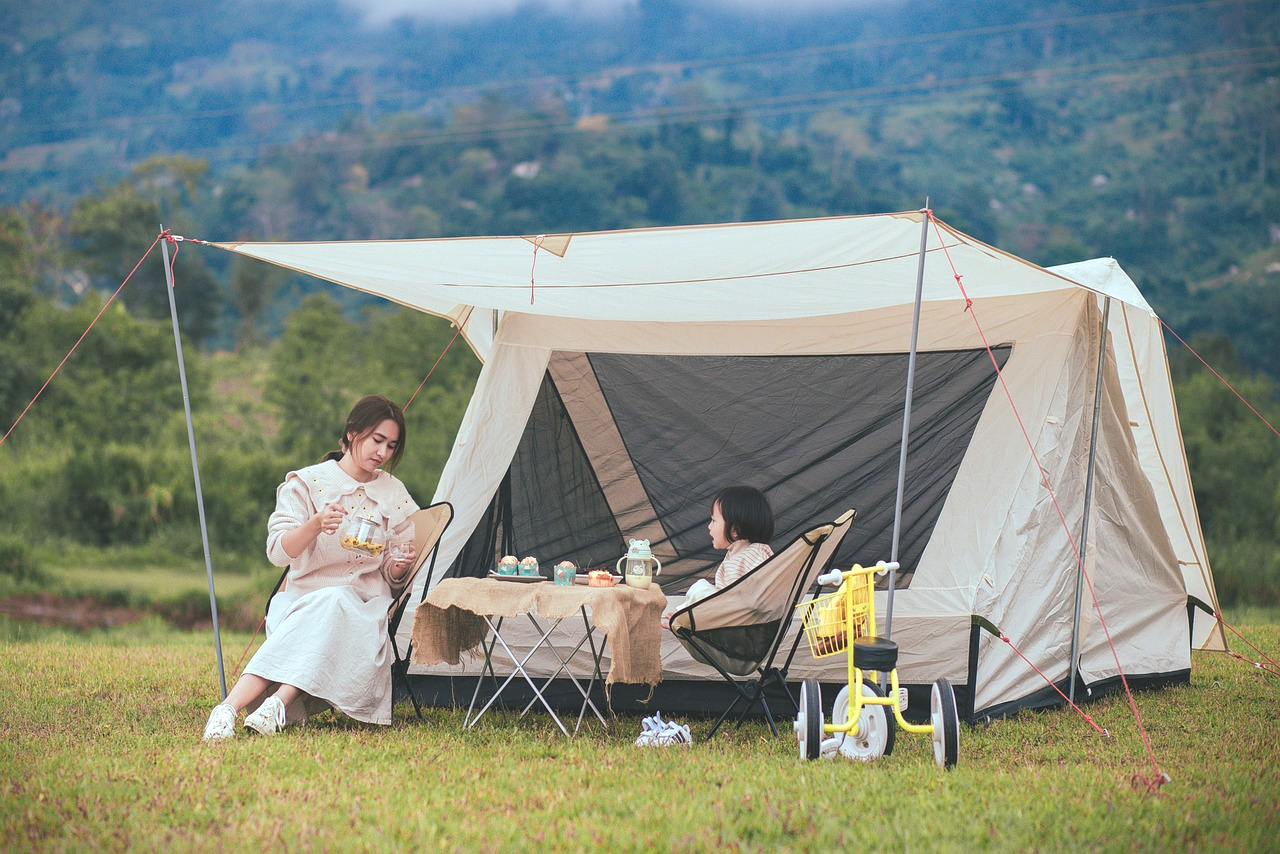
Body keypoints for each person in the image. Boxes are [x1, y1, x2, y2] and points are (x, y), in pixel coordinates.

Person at [202, 395, 420, 740]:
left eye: (391, 446)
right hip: (303, 599)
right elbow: (278, 552)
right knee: (330, 604)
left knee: (338, 602)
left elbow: (392, 577)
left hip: (364, 604)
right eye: (377, 440)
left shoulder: (393, 493)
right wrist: (315, 524)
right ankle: (235, 710)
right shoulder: (307, 483)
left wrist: (399, 566)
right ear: (352, 433)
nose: (382, 452)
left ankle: (261, 704)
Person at [664, 486, 775, 626]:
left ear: (735, 530)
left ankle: (684, 619)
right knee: (701, 589)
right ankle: (684, 618)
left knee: (700, 589)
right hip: (728, 614)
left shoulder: (755, 553)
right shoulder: (735, 554)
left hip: (740, 618)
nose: (709, 526)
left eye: (714, 520)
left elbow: (761, 594)